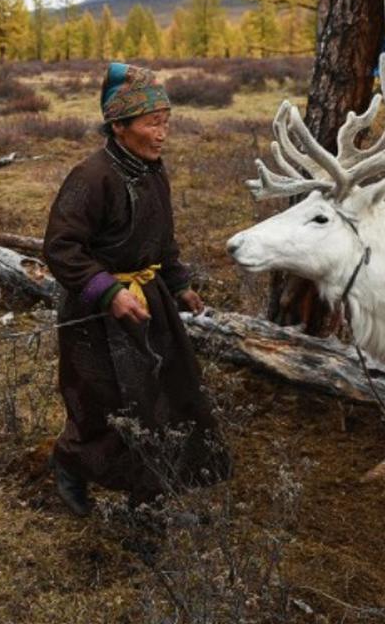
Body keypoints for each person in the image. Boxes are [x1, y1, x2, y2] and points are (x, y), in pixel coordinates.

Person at [43, 62, 231, 516]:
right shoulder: (91, 177)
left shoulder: (153, 172)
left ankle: (150, 500)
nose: (163, 133)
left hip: (150, 305)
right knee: (103, 405)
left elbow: (162, 239)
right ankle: (70, 465)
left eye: (166, 123)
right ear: (119, 126)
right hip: (96, 316)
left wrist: (179, 282)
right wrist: (108, 292)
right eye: (152, 124)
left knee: (164, 397)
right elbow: (61, 246)